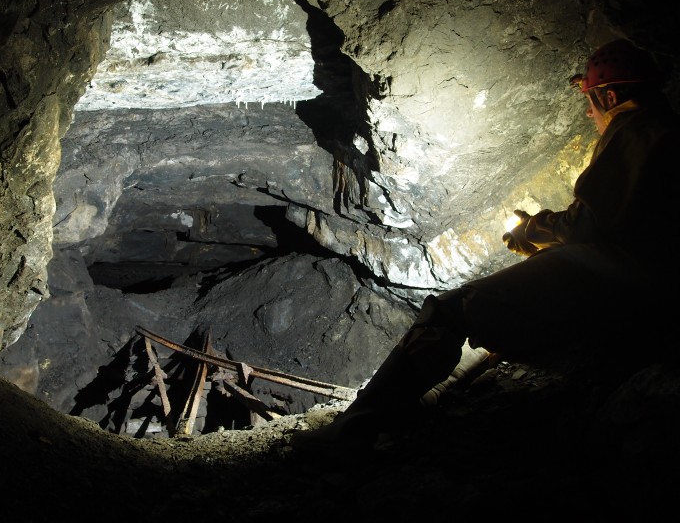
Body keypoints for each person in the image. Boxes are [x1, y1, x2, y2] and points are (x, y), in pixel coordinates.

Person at [290, 38, 680, 454]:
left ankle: (352, 430)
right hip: (649, 283)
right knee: (513, 302)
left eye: (590, 100)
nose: (588, 112)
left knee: (450, 310)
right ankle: (433, 395)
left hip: (629, 278)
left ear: (610, 94)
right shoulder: (665, 127)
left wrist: (534, 228)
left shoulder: (636, 130)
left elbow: (588, 225)